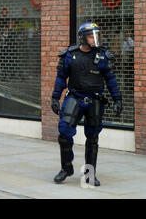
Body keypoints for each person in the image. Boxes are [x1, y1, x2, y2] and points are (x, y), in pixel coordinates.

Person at [51, 22, 123, 186]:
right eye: (92, 36)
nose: (95, 39)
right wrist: (55, 97)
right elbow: (61, 78)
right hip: (74, 98)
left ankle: (90, 175)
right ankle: (66, 168)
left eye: (97, 35)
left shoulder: (103, 56)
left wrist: (117, 99)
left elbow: (111, 80)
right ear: (83, 38)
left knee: (92, 138)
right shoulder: (69, 55)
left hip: (95, 100)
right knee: (64, 134)